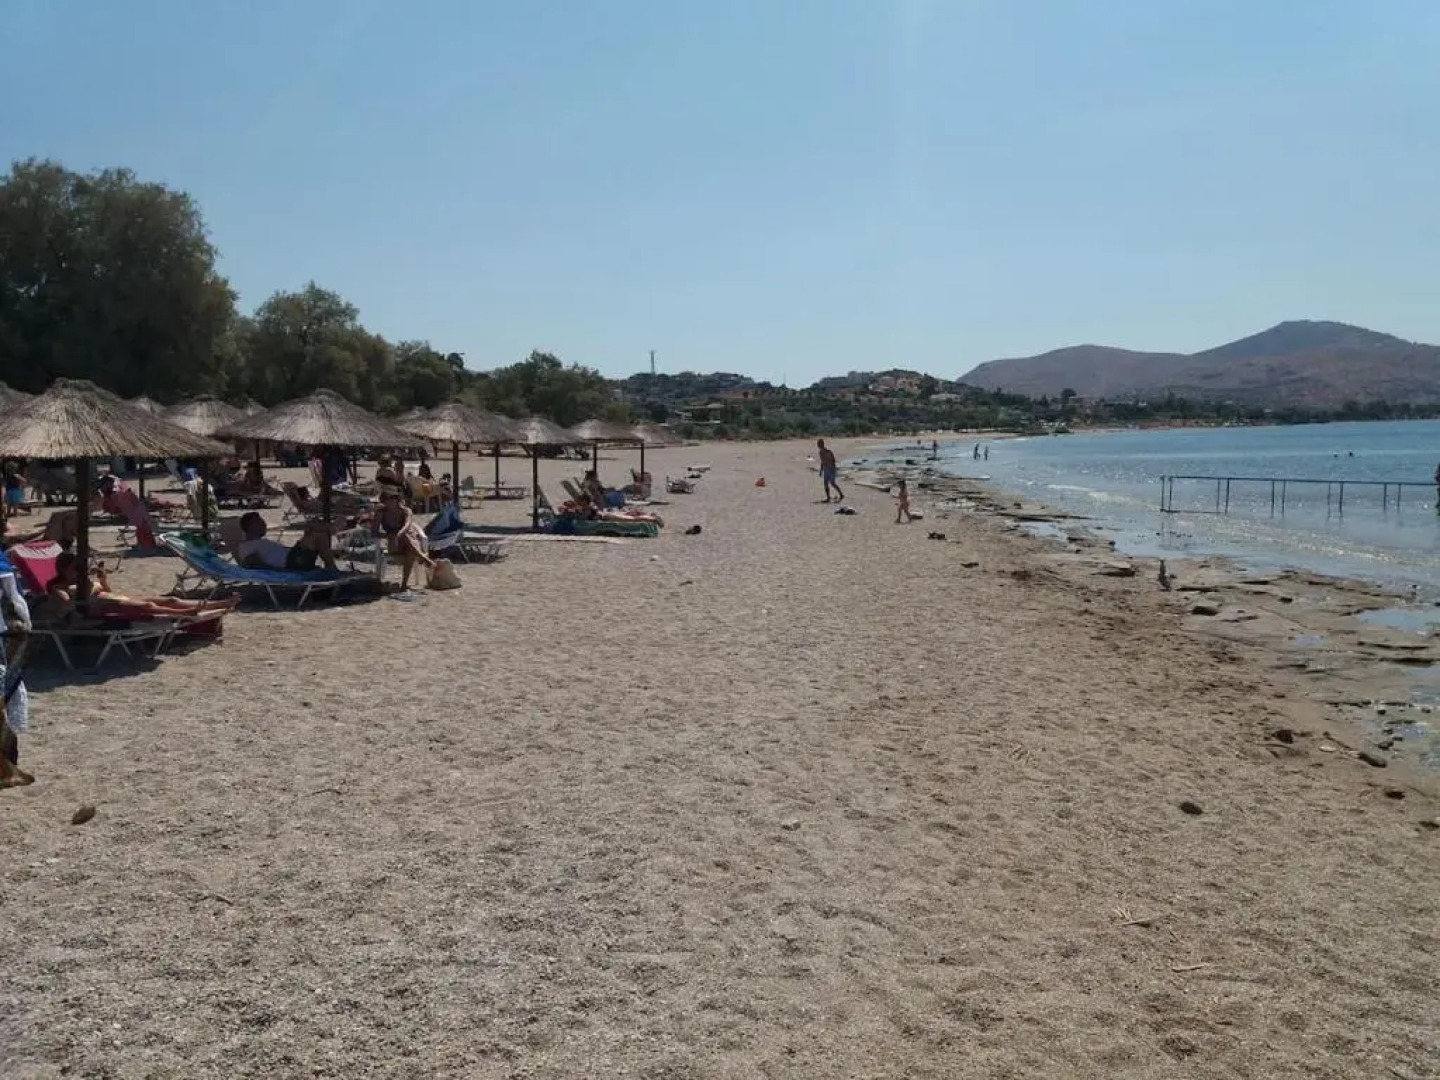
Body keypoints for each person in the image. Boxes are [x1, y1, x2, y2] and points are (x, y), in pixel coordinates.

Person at [46, 552, 239, 618]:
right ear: (63, 569)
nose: (80, 571)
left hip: (115, 598)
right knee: (148, 606)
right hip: (105, 608)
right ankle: (184, 613)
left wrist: (103, 581)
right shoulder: (60, 588)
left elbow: (107, 591)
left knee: (171, 599)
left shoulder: (83, 581)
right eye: (76, 568)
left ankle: (219, 604)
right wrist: (87, 591)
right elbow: (67, 606)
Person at [236, 511, 338, 573]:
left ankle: (331, 568)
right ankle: (332, 569)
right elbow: (254, 564)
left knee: (314, 529)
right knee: (317, 534)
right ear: (251, 526)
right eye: (260, 523)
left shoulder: (260, 542)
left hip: (293, 558)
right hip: (291, 563)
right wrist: (282, 572)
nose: (265, 525)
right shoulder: (246, 546)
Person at [374, 491, 435, 592]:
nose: (390, 502)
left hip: (409, 542)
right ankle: (424, 558)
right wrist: (389, 536)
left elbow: (407, 524)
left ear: (397, 499)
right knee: (406, 539)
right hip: (394, 544)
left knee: (410, 550)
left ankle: (404, 584)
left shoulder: (406, 511)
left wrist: (400, 533)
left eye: (392, 499)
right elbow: (374, 532)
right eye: (386, 500)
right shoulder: (381, 513)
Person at [817, 439, 844, 503]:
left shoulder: (828, 452)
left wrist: (833, 469)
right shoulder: (820, 452)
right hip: (826, 469)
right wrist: (821, 470)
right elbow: (822, 462)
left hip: (831, 469)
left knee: (832, 483)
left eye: (819, 444)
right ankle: (828, 497)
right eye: (818, 444)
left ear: (822, 444)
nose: (818, 446)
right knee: (825, 483)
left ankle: (841, 494)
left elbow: (833, 460)